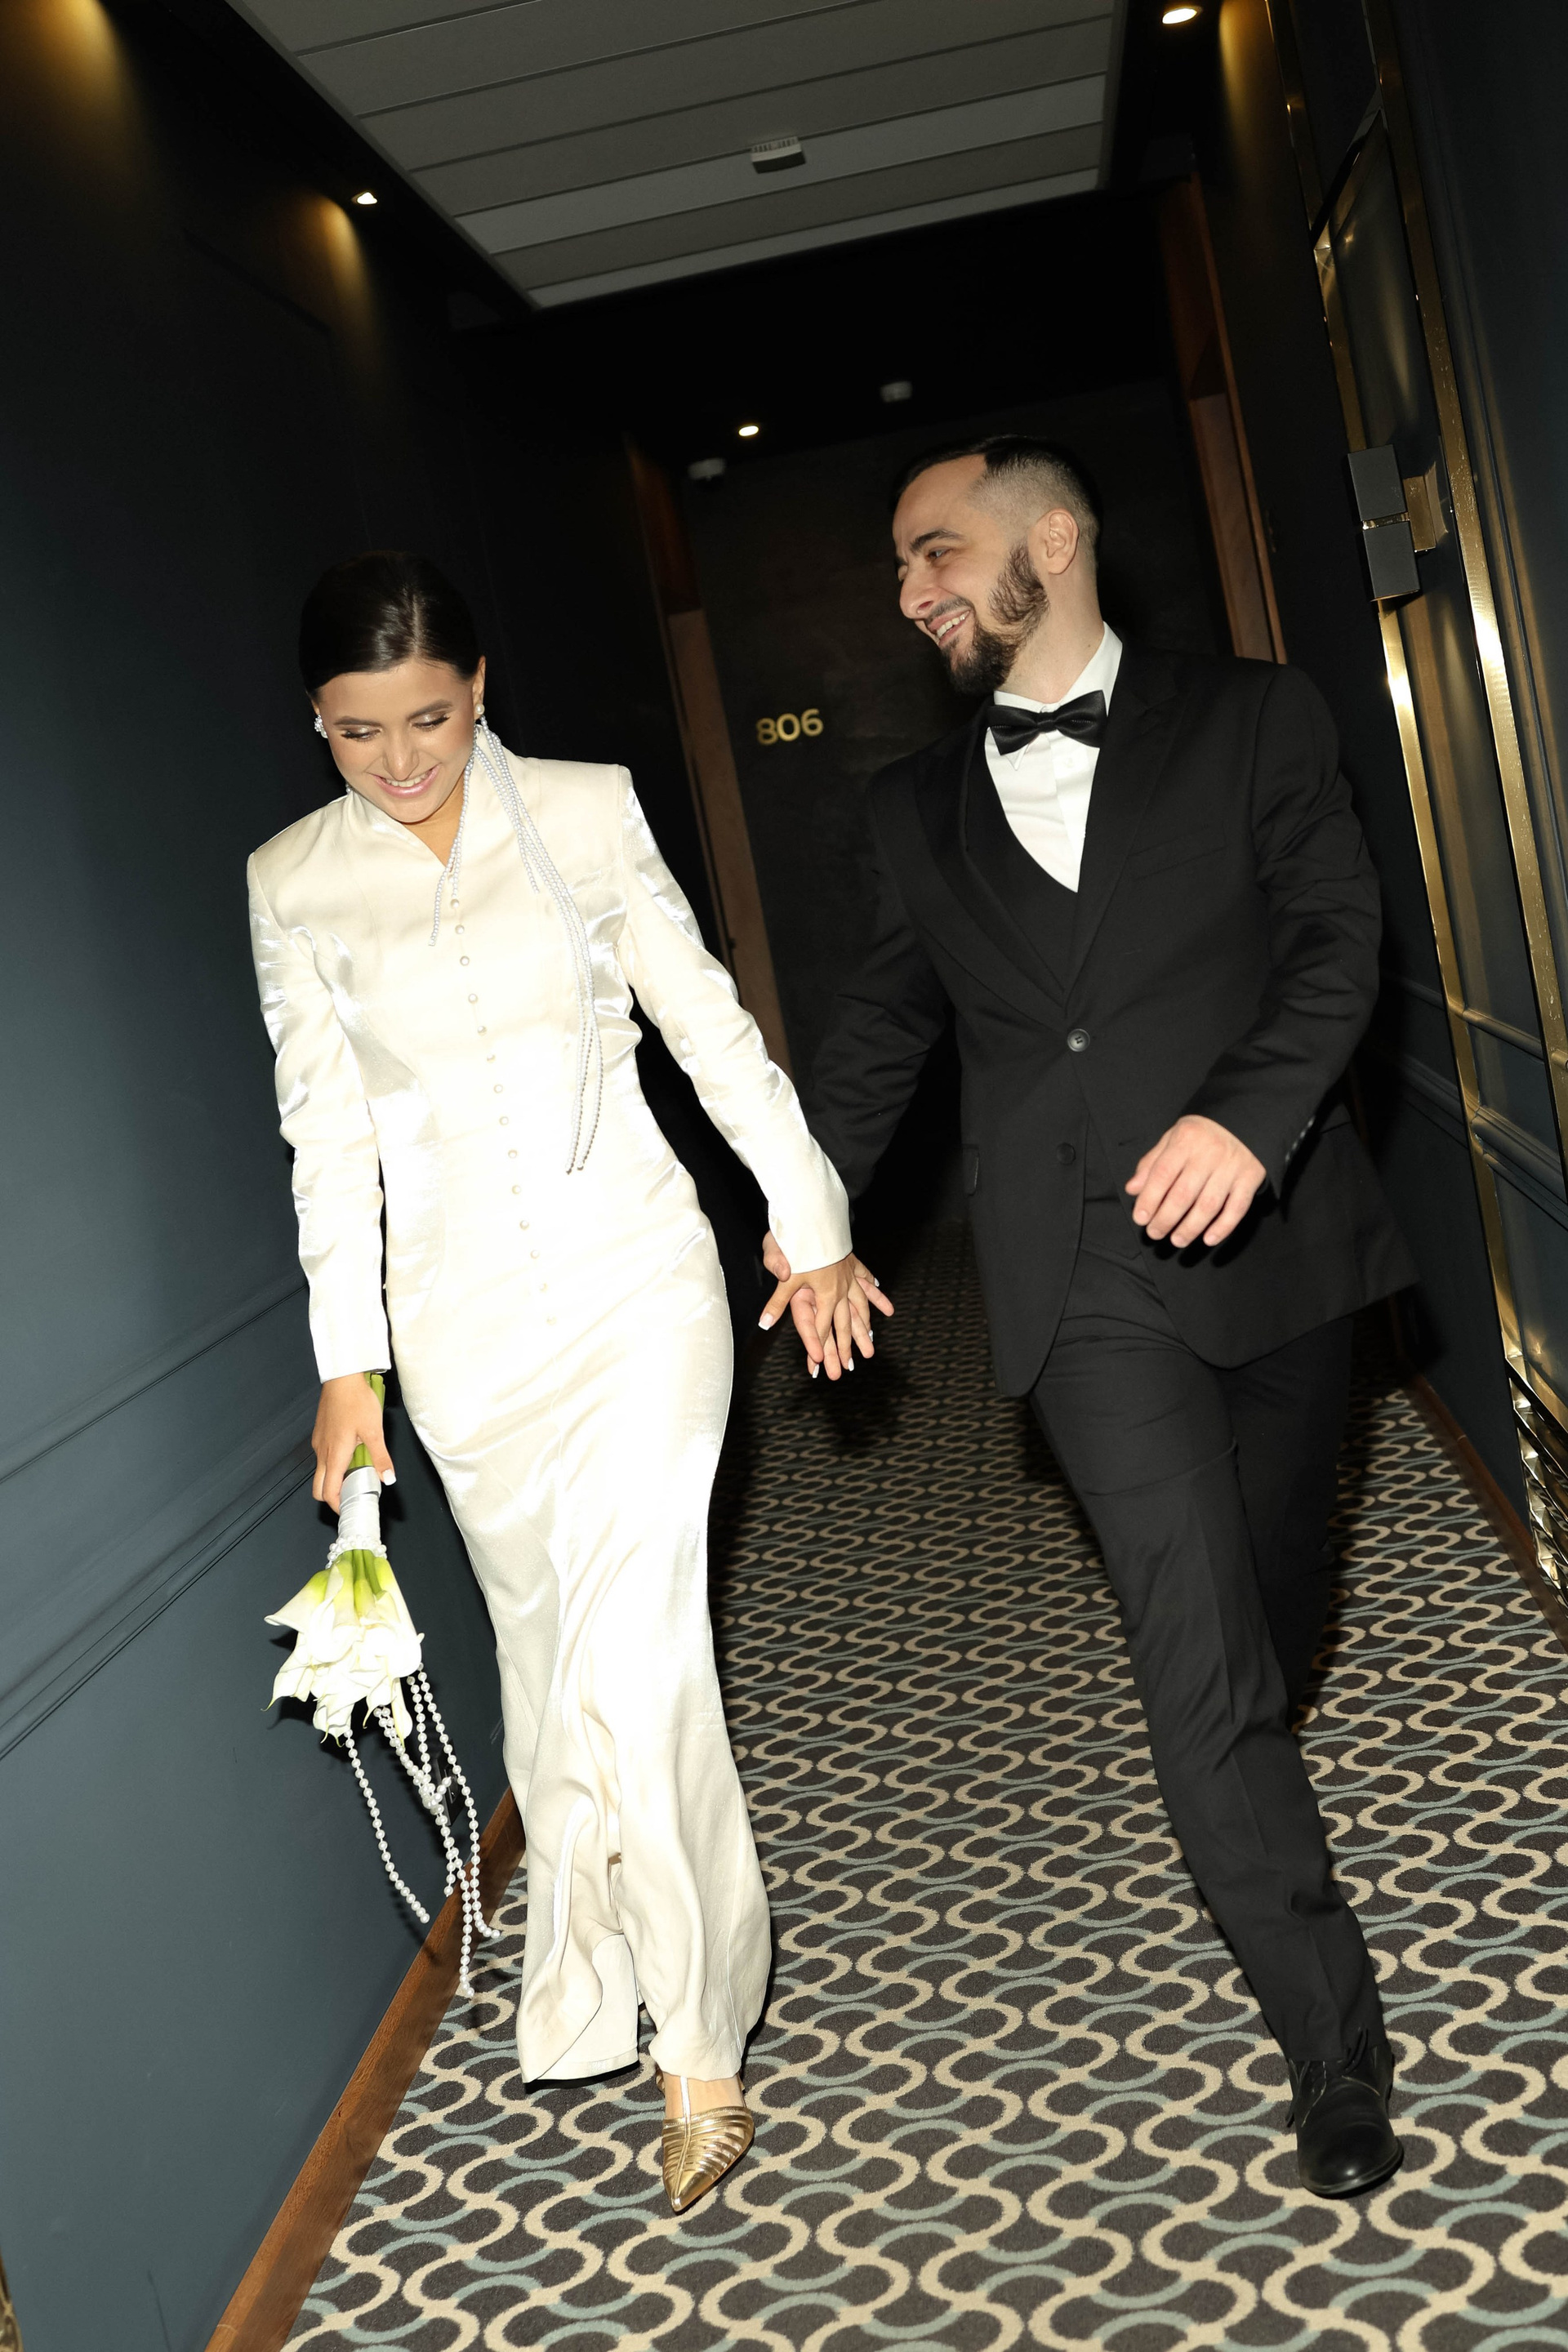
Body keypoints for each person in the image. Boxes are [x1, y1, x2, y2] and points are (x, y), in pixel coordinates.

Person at [777, 437, 1417, 2197]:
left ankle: (1254, 1718)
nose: (910, 593)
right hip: (1076, 1278)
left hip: (1267, 1236)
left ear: (1052, 538)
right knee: (1189, 1640)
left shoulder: (1255, 717)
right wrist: (807, 1217)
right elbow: (881, 1032)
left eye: (934, 552)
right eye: (900, 569)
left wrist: (1251, 1119)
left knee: (1271, 1600)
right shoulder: (913, 809)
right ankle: (1331, 2046)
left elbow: (1337, 940)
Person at [248, 550, 883, 2213]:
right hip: (464, 1341)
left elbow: (709, 1026)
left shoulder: (588, 810)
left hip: (639, 1294)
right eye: (359, 730)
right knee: (551, 1669)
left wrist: (811, 1221)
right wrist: (348, 1366)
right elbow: (328, 1145)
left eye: (432, 718)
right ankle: (592, 1979)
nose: (401, 760)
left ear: (479, 690)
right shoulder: (292, 883)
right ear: (315, 721)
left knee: (641, 1655)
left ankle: (698, 2038)